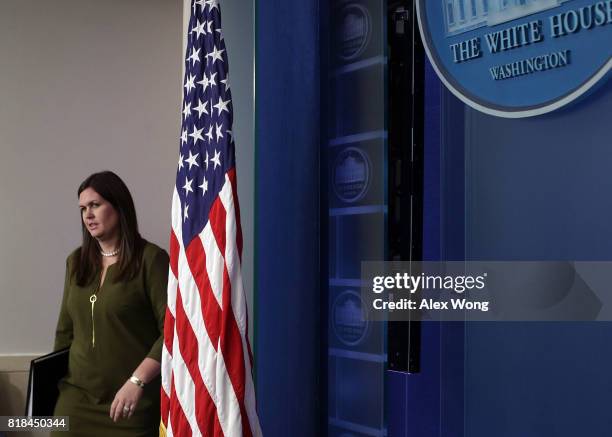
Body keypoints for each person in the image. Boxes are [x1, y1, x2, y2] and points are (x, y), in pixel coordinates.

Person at [51, 171, 169, 437]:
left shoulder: (152, 260)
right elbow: (64, 332)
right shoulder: (76, 262)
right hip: (76, 398)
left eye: (95, 205)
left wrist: (137, 382)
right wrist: (51, 387)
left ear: (119, 206)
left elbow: (172, 332)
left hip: (130, 401)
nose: (87, 215)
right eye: (83, 209)